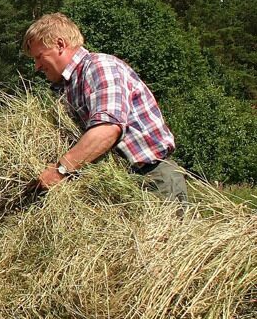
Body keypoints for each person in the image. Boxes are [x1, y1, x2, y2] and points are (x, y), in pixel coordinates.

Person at [23, 13, 187, 202]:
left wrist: (61, 170)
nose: (36, 66)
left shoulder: (98, 67)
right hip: (121, 185)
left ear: (60, 45)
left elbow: (108, 129)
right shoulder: (68, 87)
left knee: (162, 233)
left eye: (39, 56)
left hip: (153, 181)